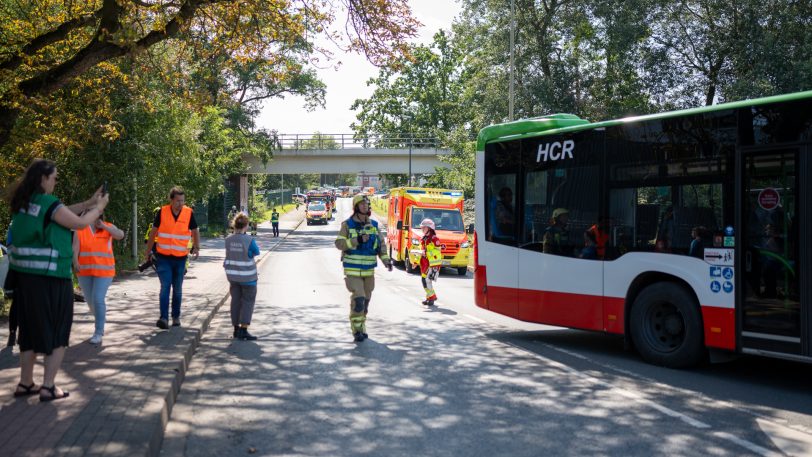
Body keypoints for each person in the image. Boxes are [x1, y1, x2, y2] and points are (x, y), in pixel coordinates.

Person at [6, 159, 108, 401]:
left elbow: (59, 213)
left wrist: (89, 202)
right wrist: (100, 207)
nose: (55, 182)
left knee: (29, 331)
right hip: (52, 278)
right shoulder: (48, 203)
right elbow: (81, 223)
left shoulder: (25, 203)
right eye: (54, 178)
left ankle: (26, 383)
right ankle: (49, 386)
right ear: (43, 179)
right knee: (57, 330)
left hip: (26, 279)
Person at [334, 194, 392, 342]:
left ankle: (362, 326)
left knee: (365, 303)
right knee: (358, 299)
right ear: (356, 207)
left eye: (367, 204)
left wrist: (386, 261)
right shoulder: (347, 225)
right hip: (352, 270)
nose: (365, 206)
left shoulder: (373, 225)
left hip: (369, 272)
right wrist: (357, 240)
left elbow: (381, 246)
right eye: (362, 204)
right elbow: (339, 244)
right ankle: (356, 330)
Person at [144, 187, 200, 329]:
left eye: (182, 201)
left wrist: (197, 247)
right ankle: (163, 318)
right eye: (177, 201)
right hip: (163, 257)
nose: (180, 204)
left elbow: (195, 231)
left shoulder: (188, 213)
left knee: (178, 289)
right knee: (165, 287)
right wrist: (148, 251)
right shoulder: (162, 212)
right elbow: (153, 233)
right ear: (171, 200)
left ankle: (176, 317)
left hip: (181, 258)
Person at [72, 212, 124, 345]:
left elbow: (120, 235)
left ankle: (98, 332)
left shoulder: (108, 227)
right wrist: (75, 261)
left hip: (104, 271)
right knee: (90, 302)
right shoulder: (81, 229)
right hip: (84, 271)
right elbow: (75, 246)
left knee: (97, 299)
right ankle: (100, 319)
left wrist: (105, 227)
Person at [224, 213, 260, 340]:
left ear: (234, 225)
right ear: (246, 225)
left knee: (235, 302)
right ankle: (244, 330)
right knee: (247, 302)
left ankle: (235, 329)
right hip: (248, 278)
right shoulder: (249, 240)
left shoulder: (228, 240)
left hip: (233, 278)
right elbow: (256, 252)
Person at [418, 218, 443, 307]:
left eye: (424, 228)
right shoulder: (424, 238)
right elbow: (422, 251)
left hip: (432, 263)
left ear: (429, 228)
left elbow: (438, 251)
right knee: (424, 281)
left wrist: (427, 253)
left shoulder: (434, 239)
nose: (422, 229)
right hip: (425, 263)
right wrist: (416, 262)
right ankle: (429, 297)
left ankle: (432, 297)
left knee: (427, 281)